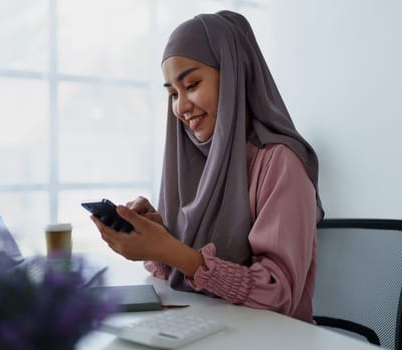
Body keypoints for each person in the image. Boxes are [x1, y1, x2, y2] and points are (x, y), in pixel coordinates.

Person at [90, 10, 324, 323]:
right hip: (212, 331)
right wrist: (157, 239)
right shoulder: (196, 163)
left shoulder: (280, 162)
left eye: (192, 84)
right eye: (173, 93)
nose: (181, 107)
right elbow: (178, 277)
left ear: (233, 76)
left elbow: (279, 294)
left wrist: (173, 252)